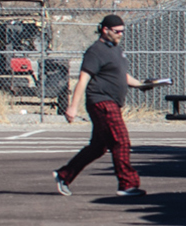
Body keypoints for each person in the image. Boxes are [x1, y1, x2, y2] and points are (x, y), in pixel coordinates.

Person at [55, 15, 158, 197]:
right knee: (121, 141)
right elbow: (83, 80)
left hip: (112, 103)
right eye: (117, 32)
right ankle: (127, 185)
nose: (120, 35)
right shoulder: (95, 51)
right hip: (101, 101)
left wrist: (142, 84)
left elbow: (122, 76)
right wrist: (73, 107)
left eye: (122, 32)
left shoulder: (116, 51)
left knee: (98, 147)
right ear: (105, 30)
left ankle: (64, 175)